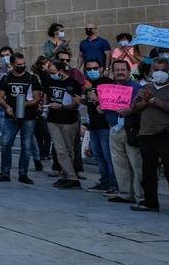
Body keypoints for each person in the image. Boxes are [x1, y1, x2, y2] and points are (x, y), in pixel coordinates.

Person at [129, 57, 169, 218]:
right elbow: (135, 108)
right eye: (156, 70)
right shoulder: (146, 87)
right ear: (151, 72)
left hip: (167, 134)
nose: (159, 73)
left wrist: (154, 100)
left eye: (163, 70)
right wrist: (144, 101)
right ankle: (150, 202)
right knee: (148, 170)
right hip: (146, 133)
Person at [0, 53, 42, 185]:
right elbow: (0, 96)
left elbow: (37, 98)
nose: (22, 66)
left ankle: (23, 173)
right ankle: (5, 172)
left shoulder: (32, 78)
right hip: (11, 116)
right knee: (5, 144)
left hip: (29, 117)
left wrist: (24, 104)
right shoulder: (6, 78)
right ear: (13, 64)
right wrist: (6, 106)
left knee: (26, 146)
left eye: (23, 64)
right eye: (18, 64)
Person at [42, 58, 84, 189]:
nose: (51, 74)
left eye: (53, 72)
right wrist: (45, 107)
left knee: (69, 149)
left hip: (68, 120)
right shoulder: (49, 81)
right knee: (60, 149)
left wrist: (61, 106)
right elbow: (46, 94)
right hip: (53, 119)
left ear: (61, 71)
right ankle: (71, 177)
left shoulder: (72, 83)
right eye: (50, 72)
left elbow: (76, 103)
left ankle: (67, 176)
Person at [107, 59, 144, 204]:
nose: (120, 72)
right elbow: (106, 106)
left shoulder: (137, 88)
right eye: (117, 70)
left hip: (131, 129)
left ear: (129, 71)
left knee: (136, 163)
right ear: (113, 72)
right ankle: (125, 194)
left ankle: (141, 196)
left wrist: (132, 110)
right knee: (119, 163)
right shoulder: (109, 88)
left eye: (123, 69)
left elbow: (141, 107)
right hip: (114, 128)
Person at [82, 59, 116, 194]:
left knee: (108, 156)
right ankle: (104, 181)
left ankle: (114, 183)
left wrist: (97, 99)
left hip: (105, 125)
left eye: (95, 68)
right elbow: (90, 103)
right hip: (93, 124)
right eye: (89, 69)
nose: (92, 71)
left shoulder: (108, 83)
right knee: (98, 156)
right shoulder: (88, 85)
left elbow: (112, 102)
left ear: (101, 68)